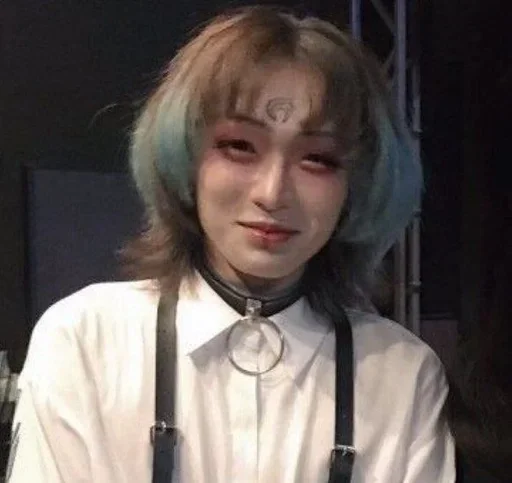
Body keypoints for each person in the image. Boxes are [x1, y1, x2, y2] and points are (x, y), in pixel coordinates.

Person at [7, 6, 455, 482]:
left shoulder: (402, 376)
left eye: (318, 159)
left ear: (358, 183)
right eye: (239, 146)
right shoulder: (85, 343)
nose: (272, 193)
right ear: (185, 155)